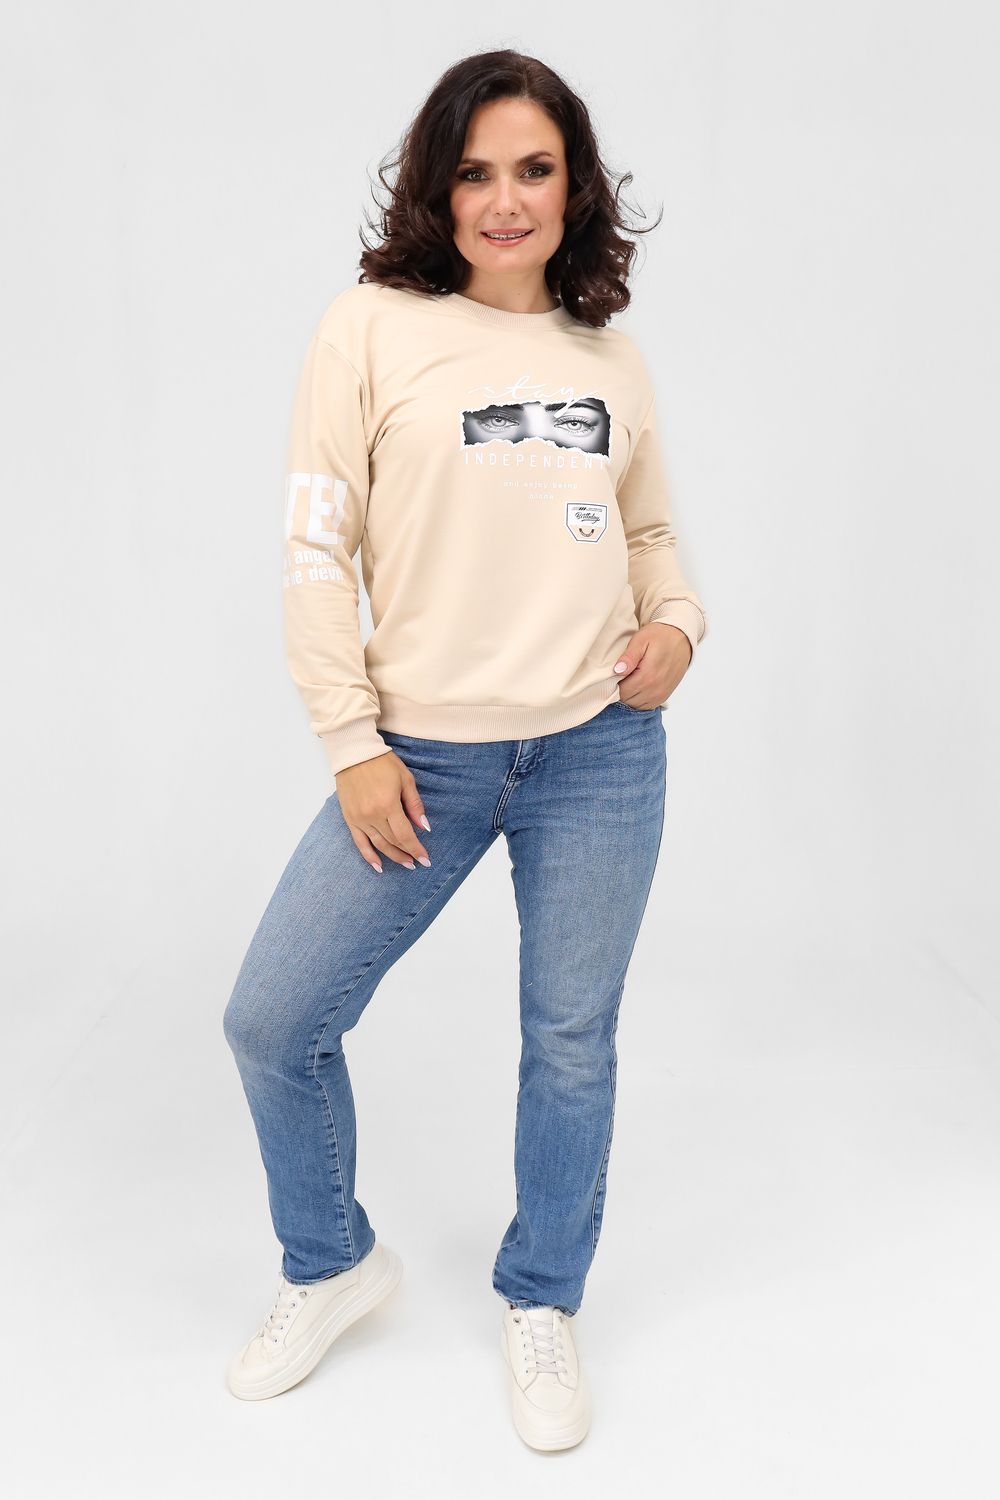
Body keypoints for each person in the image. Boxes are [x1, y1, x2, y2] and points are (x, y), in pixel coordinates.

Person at [222, 47, 708, 1452]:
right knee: (273, 1021)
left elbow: (653, 534)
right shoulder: (370, 328)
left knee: (570, 1043)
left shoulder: (609, 358)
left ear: (575, 188)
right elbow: (315, 549)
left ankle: (542, 1297)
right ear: (438, 188)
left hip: (599, 752)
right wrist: (350, 740)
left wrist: (678, 627)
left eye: (535, 170)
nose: (506, 201)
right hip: (419, 760)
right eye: (477, 172)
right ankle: (331, 1261)